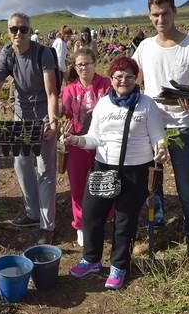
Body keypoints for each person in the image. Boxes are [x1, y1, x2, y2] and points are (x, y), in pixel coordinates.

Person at [63, 57, 167, 290]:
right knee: (91, 215)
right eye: (119, 76)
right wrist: (76, 140)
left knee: (124, 220)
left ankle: (119, 266)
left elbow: (158, 136)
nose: (124, 81)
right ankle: (91, 260)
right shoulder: (103, 104)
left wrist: (161, 150)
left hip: (136, 170)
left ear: (135, 79)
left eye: (129, 76)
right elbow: (93, 138)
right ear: (111, 79)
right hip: (103, 168)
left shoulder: (146, 104)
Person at [132, 0, 189, 245]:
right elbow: (133, 82)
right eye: (155, 15)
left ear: (174, 11)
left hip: (180, 126)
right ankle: (157, 229)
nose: (160, 20)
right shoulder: (144, 48)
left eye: (165, 13)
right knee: (153, 183)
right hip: (150, 127)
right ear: (149, 15)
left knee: (186, 186)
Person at [0, 12, 59, 245]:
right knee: (21, 164)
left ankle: (48, 225)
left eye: (23, 29)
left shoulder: (43, 53)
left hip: (42, 117)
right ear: (8, 31)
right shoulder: (6, 53)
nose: (18, 33)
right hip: (21, 116)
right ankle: (32, 213)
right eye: (14, 29)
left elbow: (51, 92)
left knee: (45, 170)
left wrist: (53, 120)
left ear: (30, 30)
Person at [61, 47, 111, 246]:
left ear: (95, 64)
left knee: (104, 182)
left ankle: (104, 220)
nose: (83, 68)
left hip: (102, 143)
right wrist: (64, 126)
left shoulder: (106, 85)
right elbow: (64, 115)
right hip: (77, 144)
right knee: (78, 185)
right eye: (79, 64)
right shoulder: (69, 90)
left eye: (87, 64)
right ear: (75, 66)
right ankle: (81, 225)